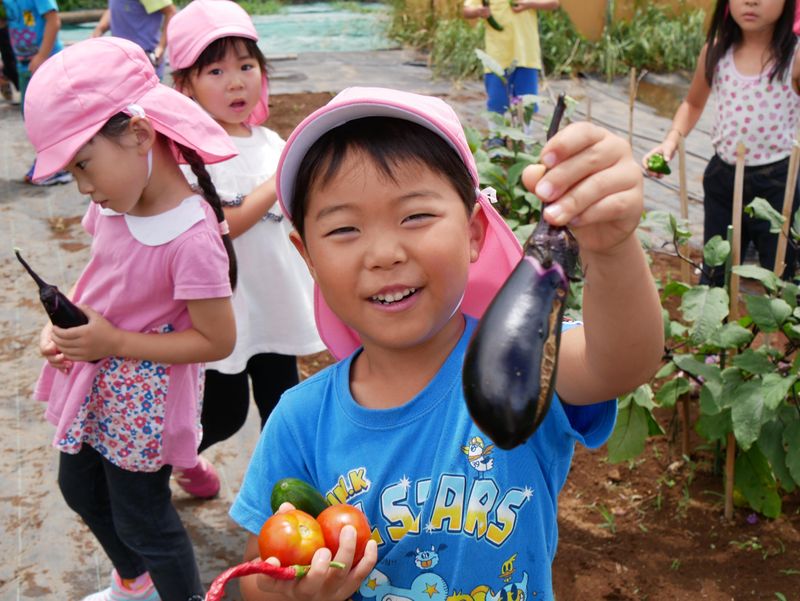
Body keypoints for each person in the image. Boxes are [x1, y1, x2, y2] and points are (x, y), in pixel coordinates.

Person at [228, 86, 664, 599]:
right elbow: (257, 572)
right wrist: (289, 593)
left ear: (474, 232)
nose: (384, 253)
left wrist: (612, 250)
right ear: (307, 257)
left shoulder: (519, 364)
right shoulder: (300, 420)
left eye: (415, 216)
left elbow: (621, 362)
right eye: (344, 228)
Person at [25, 36, 239, 601]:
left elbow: (217, 340)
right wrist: (60, 323)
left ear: (140, 134)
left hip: (143, 406)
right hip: (95, 384)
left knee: (144, 520)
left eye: (83, 164)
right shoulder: (115, 204)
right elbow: (99, 276)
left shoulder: (191, 238)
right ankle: (134, 581)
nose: (83, 186)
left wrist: (115, 340)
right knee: (78, 488)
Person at [166, 0, 324, 499]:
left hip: (275, 304)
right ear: (186, 85)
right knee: (224, 412)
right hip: (226, 315)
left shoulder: (271, 141)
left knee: (283, 409)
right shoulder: (186, 154)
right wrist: (277, 181)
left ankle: (289, 506)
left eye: (246, 66)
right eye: (215, 71)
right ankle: (164, 463)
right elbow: (220, 227)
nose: (236, 82)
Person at [643, 0, 800, 286]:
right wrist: (670, 142)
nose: (750, 1)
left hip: (778, 185)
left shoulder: (795, 57)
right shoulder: (717, 51)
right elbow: (692, 104)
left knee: (781, 277)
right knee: (715, 272)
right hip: (722, 179)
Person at [2, 0, 71, 184]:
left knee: (48, 116)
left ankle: (58, 166)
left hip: (46, 62)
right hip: (24, 64)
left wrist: (41, 56)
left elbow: (53, 21)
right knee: (30, 115)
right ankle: (50, 160)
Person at [462, 0, 560, 124]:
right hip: (497, 56)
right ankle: (496, 134)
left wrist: (529, 4)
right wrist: (478, 11)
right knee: (496, 104)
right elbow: (466, 11)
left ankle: (524, 134)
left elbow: (554, 3)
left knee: (526, 106)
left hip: (526, 54)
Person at [91, 0, 176, 80]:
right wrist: (98, 31)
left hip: (145, 64)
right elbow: (114, 8)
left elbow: (170, 12)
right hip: (121, 63)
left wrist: (161, 47)